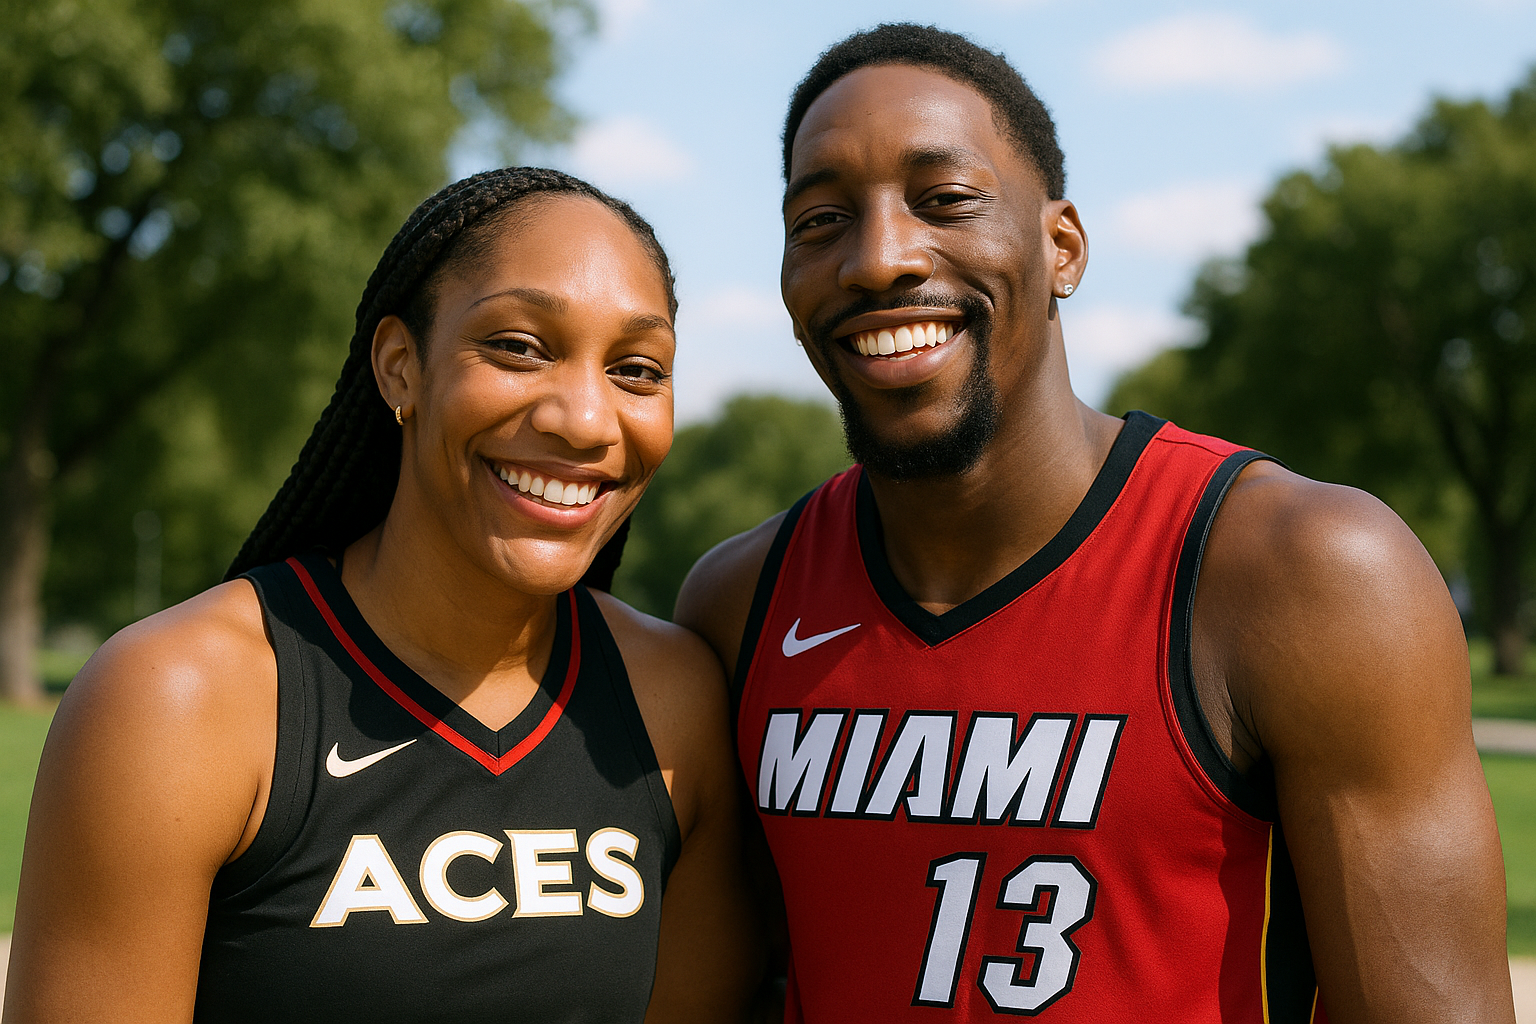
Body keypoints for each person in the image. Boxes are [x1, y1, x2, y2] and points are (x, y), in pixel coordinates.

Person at [675, 24, 1515, 1023]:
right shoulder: (738, 605)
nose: (878, 258)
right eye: (819, 220)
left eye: (944, 200)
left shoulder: (1306, 572)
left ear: (1061, 246)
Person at [6, 167, 756, 1023]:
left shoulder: (673, 704)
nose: (584, 420)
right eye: (517, 346)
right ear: (400, 366)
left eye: (636, 368)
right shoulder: (180, 702)